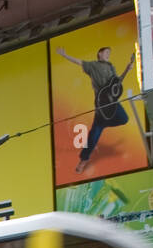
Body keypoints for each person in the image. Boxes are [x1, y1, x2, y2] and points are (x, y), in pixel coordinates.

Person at [56, 44, 135, 175]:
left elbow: (117, 83)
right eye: (106, 52)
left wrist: (127, 69)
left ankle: (104, 123)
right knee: (94, 135)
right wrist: (65, 55)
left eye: (109, 52)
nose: (108, 54)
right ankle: (83, 160)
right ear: (99, 54)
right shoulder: (93, 66)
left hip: (112, 101)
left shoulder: (111, 67)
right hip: (102, 103)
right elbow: (79, 62)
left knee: (124, 118)